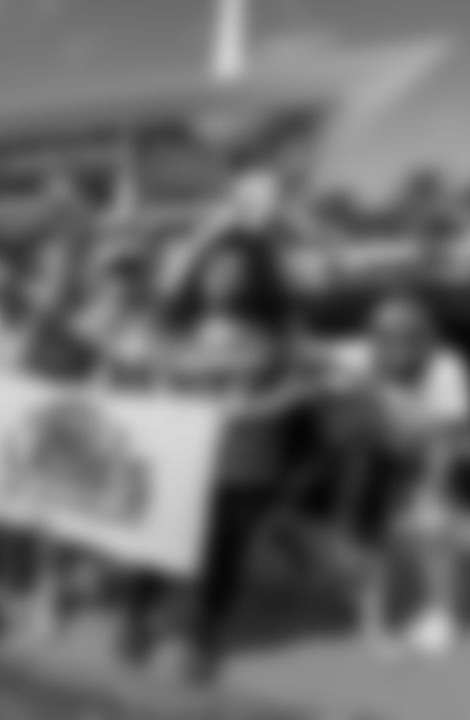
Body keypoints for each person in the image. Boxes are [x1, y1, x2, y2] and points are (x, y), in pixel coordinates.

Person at [122, 170, 318, 684]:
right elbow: (148, 370)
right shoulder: (173, 325)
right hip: (177, 457)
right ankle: (138, 614)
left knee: (224, 552)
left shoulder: (279, 330)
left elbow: (300, 389)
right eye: (211, 271)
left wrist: (261, 408)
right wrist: (220, 220)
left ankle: (199, 635)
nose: (220, 279)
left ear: (254, 277)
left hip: (245, 462)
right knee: (155, 541)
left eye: (233, 272)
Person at [328, 295, 470, 658]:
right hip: (360, 453)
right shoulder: (354, 356)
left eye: (409, 332)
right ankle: (372, 621)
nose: (396, 341)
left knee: (434, 523)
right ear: (372, 335)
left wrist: (431, 491)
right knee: (365, 521)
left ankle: (441, 617)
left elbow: (447, 438)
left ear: (426, 335)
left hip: (418, 451)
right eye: (384, 333)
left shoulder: (447, 367)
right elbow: (302, 352)